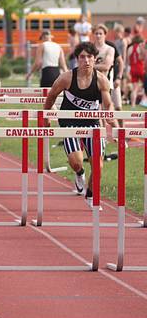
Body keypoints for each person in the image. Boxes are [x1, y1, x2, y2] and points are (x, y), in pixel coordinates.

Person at [43, 42, 114, 208]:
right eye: (82, 57)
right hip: (69, 122)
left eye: (90, 57)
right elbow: (51, 96)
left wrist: (110, 122)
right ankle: (79, 173)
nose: (86, 61)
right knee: (76, 162)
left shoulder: (102, 80)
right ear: (77, 59)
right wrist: (46, 116)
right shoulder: (67, 77)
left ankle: (90, 195)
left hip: (92, 123)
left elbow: (108, 104)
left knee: (98, 165)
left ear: (95, 59)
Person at [127, 36, 146, 107]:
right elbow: (143, 57)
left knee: (134, 89)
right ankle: (144, 101)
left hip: (133, 69)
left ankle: (133, 105)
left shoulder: (129, 48)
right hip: (141, 68)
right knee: (145, 86)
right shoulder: (141, 47)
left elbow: (128, 62)